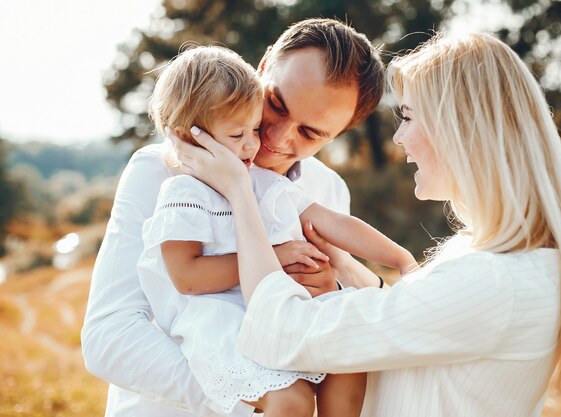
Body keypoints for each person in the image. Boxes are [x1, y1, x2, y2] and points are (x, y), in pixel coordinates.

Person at [172, 32, 561, 417]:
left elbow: (279, 332)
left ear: (460, 130)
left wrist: (239, 192)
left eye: (408, 116)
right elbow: (404, 321)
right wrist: (340, 269)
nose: (399, 137)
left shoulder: (493, 280)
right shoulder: (490, 256)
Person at [81, 18, 385, 417]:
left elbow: (350, 317)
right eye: (275, 104)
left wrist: (330, 288)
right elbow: (108, 338)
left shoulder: (327, 191)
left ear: (338, 134)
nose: (275, 138)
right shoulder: (158, 173)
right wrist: (253, 399)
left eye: (309, 133)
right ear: (260, 70)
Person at [139, 44, 415, 417]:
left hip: (283, 309)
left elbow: (334, 224)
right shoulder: (179, 190)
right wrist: (278, 256)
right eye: (239, 134)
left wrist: (400, 260)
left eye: (310, 131)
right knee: (291, 402)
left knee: (349, 356)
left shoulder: (265, 181)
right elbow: (186, 278)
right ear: (191, 136)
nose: (261, 142)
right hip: (225, 320)